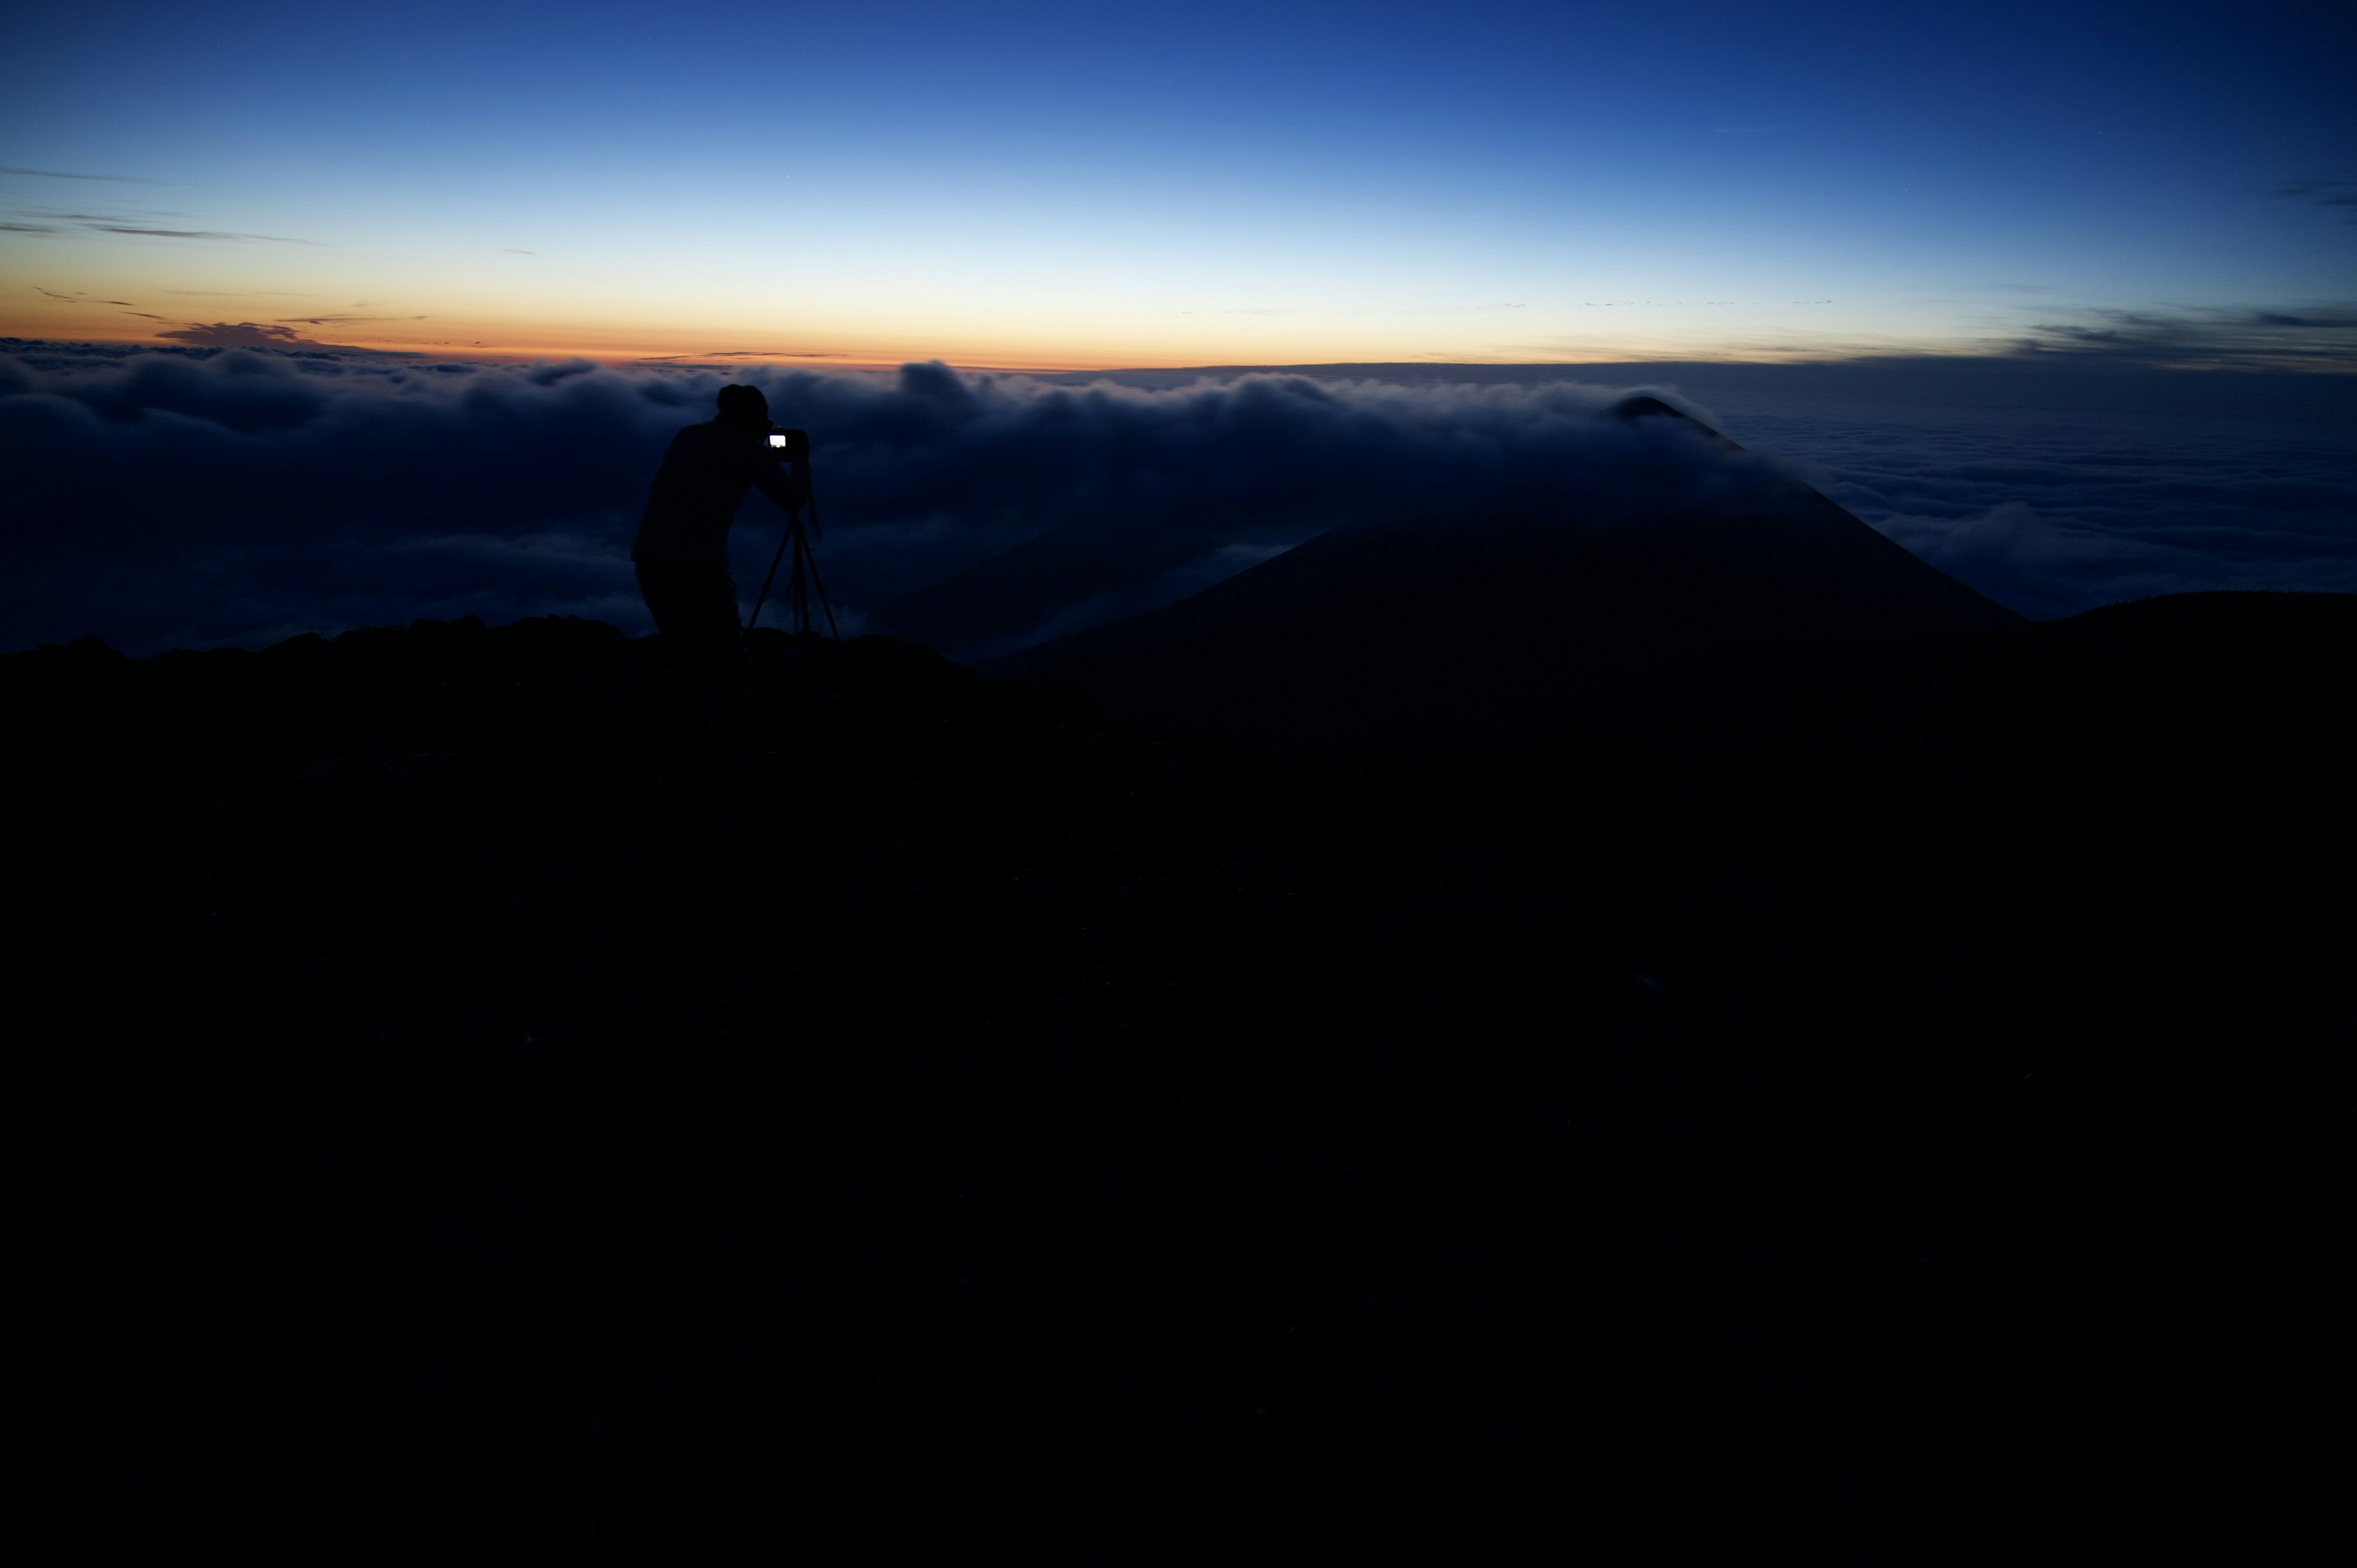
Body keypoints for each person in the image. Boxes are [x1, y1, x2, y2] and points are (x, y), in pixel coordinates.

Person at [630, 383, 807, 757]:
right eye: (763, 415)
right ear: (749, 416)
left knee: (687, 655)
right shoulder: (748, 449)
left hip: (649, 560)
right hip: (698, 566)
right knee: (728, 660)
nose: (768, 422)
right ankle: (729, 745)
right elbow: (792, 499)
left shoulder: (687, 435)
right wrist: (800, 462)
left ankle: (689, 740)